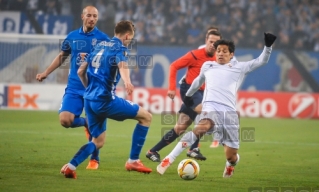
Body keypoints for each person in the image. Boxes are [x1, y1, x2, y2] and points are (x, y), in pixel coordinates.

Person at [156, 32, 277, 177]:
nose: (220, 54)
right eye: (218, 51)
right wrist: (188, 95)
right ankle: (168, 159)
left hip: (229, 114)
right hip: (210, 108)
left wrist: (267, 47)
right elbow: (198, 81)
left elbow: (261, 61)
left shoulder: (239, 67)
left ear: (231, 54)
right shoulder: (208, 66)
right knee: (200, 128)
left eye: (224, 51)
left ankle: (231, 165)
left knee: (231, 156)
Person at [60, 20, 153, 179]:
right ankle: (133, 160)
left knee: (98, 141)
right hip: (106, 101)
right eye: (130, 39)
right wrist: (128, 81)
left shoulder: (99, 46)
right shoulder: (120, 48)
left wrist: (88, 89)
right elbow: (122, 65)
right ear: (127, 36)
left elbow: (81, 70)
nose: (129, 42)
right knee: (146, 117)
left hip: (89, 100)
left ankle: (71, 166)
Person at [36, 6, 110, 170]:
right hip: (75, 87)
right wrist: (46, 72)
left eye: (95, 16)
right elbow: (62, 56)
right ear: (82, 16)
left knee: (96, 128)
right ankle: (85, 123)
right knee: (65, 120)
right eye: (89, 15)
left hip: (93, 89)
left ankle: (94, 159)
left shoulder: (103, 39)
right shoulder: (72, 36)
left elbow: (111, 62)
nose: (92, 18)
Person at [146, 30, 222, 162]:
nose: (212, 45)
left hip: (202, 94)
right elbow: (174, 66)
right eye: (211, 42)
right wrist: (171, 88)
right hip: (190, 91)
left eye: (216, 43)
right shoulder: (195, 55)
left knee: (180, 128)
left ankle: (153, 151)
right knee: (207, 114)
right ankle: (193, 148)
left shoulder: (218, 59)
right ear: (206, 41)